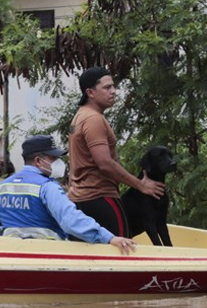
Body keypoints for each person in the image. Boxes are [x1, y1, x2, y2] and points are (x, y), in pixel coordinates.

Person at [0, 135, 137, 255]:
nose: (58, 162)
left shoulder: (3, 187)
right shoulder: (47, 187)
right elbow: (71, 220)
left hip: (12, 255)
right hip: (47, 255)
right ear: (38, 161)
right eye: (53, 158)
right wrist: (108, 238)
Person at [67, 67, 165, 237]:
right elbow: (105, 163)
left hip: (79, 200)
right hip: (101, 198)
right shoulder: (93, 119)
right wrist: (141, 185)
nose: (113, 91)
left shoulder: (79, 116)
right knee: (122, 248)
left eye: (113, 86)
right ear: (90, 92)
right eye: (107, 87)